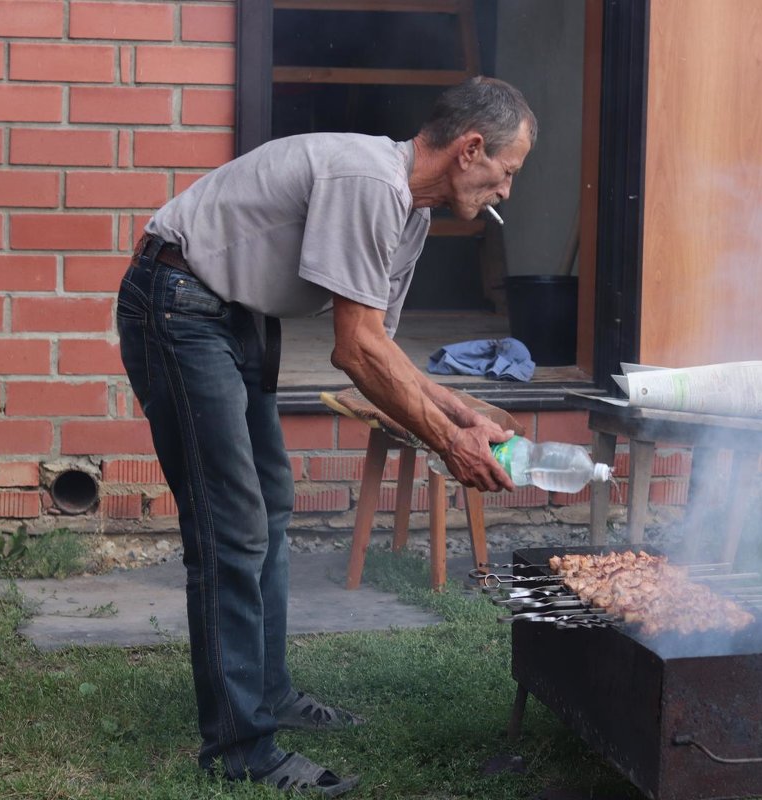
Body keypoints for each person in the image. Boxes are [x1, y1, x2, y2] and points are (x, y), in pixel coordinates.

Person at [115, 76, 536, 795]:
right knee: (232, 526)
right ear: (471, 150)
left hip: (234, 313)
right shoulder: (368, 182)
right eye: (508, 171)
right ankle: (242, 748)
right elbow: (355, 351)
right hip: (178, 300)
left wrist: (458, 413)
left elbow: (381, 354)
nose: (506, 192)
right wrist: (447, 443)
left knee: (271, 503)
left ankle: (269, 692)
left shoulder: (411, 216)